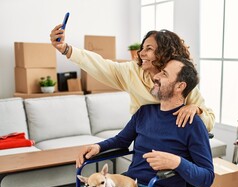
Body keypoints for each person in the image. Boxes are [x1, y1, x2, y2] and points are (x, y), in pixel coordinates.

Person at [59, 57, 214, 187]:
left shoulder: (192, 123)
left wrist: (176, 162)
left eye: (164, 74)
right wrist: (97, 146)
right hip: (130, 184)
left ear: (180, 86)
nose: (156, 76)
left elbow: (207, 176)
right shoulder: (144, 112)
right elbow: (121, 140)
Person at [50, 26, 215, 132]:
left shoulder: (180, 81)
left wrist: (196, 109)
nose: (141, 53)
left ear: (164, 53)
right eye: (142, 48)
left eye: (148, 49)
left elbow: (209, 121)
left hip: (175, 143)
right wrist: (65, 49)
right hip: (146, 139)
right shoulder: (132, 72)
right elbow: (100, 65)